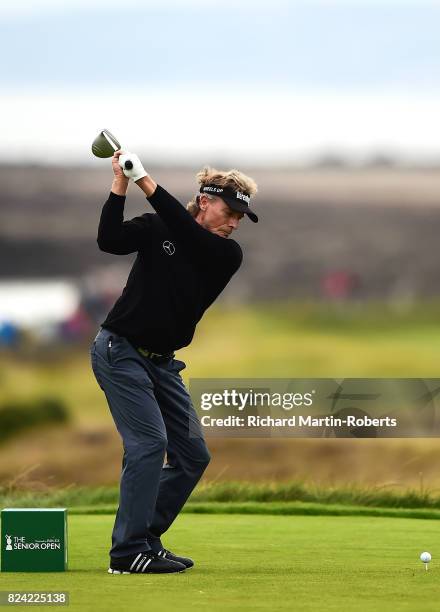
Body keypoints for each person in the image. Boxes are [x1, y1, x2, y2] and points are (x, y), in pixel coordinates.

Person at [90, 150, 258, 575]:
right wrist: (122, 184)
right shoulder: (156, 227)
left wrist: (146, 180)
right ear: (205, 201)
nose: (235, 222)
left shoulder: (225, 254)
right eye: (230, 210)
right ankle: (127, 554)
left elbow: (191, 238)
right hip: (120, 351)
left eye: (241, 216)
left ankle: (145, 538)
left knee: (192, 455)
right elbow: (109, 241)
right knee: (148, 445)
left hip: (162, 364)